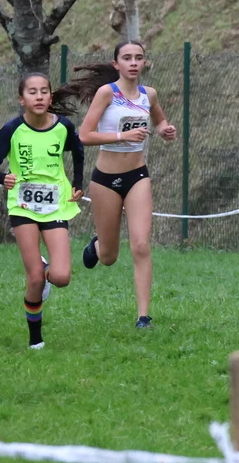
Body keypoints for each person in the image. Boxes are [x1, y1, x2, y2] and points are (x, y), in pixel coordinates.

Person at [53, 41, 176, 329]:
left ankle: (143, 316)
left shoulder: (149, 94)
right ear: (116, 64)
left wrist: (165, 130)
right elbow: (85, 135)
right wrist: (123, 136)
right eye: (127, 58)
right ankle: (98, 246)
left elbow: (160, 121)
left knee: (141, 245)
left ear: (144, 63)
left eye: (138, 58)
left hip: (137, 176)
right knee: (109, 257)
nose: (133, 63)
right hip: (106, 180)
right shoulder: (107, 93)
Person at [0, 73, 85, 350]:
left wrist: (78, 183)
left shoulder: (63, 127)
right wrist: (2, 178)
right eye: (32, 92)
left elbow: (78, 152)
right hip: (23, 206)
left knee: (61, 277)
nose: (39, 96)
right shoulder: (12, 129)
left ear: (51, 97)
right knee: (35, 279)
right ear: (21, 99)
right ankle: (35, 340)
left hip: (55, 205)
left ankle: (45, 268)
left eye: (44, 91)